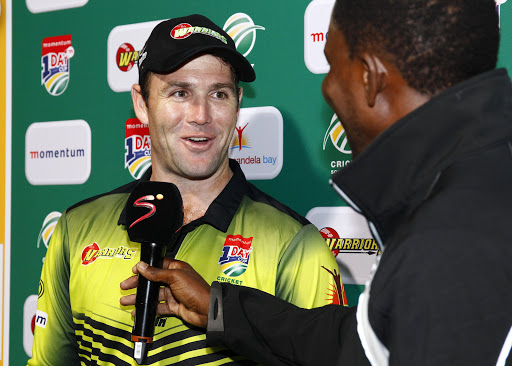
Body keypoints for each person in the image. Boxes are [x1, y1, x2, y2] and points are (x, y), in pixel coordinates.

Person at [120, 1, 512, 365]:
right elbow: (359, 345)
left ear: (369, 78)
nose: (326, 89)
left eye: (331, 65)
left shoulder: (452, 240)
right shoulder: (470, 193)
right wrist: (221, 308)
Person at [28, 14, 340, 366]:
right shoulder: (76, 228)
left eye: (218, 94)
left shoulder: (295, 244)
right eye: (179, 93)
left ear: (238, 103)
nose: (201, 115)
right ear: (141, 104)